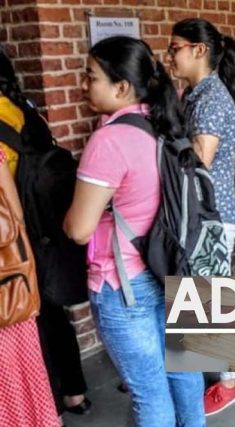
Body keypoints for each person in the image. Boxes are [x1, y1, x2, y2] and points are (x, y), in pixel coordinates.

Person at [63, 36, 204, 427]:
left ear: (121, 86)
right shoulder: (163, 125)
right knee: (183, 370)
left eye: (91, 77)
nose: (84, 85)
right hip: (169, 266)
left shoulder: (109, 140)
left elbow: (79, 229)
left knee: (149, 393)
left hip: (123, 282)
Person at [168, 17, 235, 416]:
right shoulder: (196, 94)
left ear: (199, 50)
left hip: (211, 218)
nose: (170, 56)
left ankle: (230, 382)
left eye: (175, 48)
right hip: (203, 216)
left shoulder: (211, 98)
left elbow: (199, 160)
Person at [0, 45, 61, 427]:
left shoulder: (116, 138)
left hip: (15, 246)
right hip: (22, 243)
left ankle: (224, 379)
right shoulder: (24, 109)